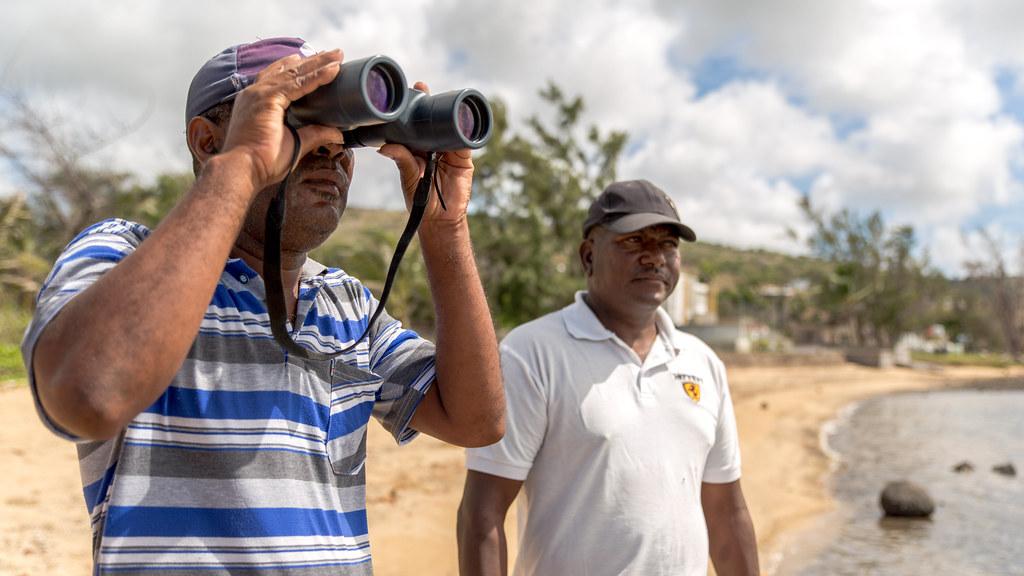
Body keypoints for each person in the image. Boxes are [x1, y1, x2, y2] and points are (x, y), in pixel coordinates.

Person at [20, 37, 503, 575]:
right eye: (297, 122)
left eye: (345, 133)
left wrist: (445, 226)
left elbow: (477, 419)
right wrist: (244, 164)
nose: (328, 149)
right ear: (207, 141)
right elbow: (87, 394)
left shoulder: (346, 304)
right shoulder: (125, 256)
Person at [457, 179, 759, 576]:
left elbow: (726, 513)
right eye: (633, 242)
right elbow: (482, 514)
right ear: (588, 256)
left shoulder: (703, 363)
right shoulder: (533, 352)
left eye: (667, 244)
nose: (654, 258)